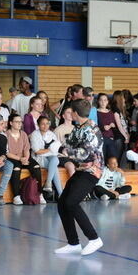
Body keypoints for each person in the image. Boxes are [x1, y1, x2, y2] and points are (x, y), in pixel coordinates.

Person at [55, 99, 104, 256]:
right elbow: (70, 143)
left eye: (71, 112)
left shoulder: (91, 130)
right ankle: (73, 243)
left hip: (92, 171)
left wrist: (63, 150)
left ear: (75, 113)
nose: (70, 114)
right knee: (62, 203)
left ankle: (94, 238)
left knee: (71, 202)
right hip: (82, 169)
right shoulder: (80, 127)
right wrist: (57, 145)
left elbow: (85, 154)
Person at [30, 115, 61, 200]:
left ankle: (48, 183)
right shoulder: (34, 134)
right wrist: (49, 149)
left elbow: (56, 149)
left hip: (50, 157)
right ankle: (60, 193)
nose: (45, 126)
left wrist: (49, 150)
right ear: (38, 125)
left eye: (47, 123)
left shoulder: (51, 134)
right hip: (38, 158)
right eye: (43, 124)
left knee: (55, 159)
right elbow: (37, 151)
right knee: (54, 167)